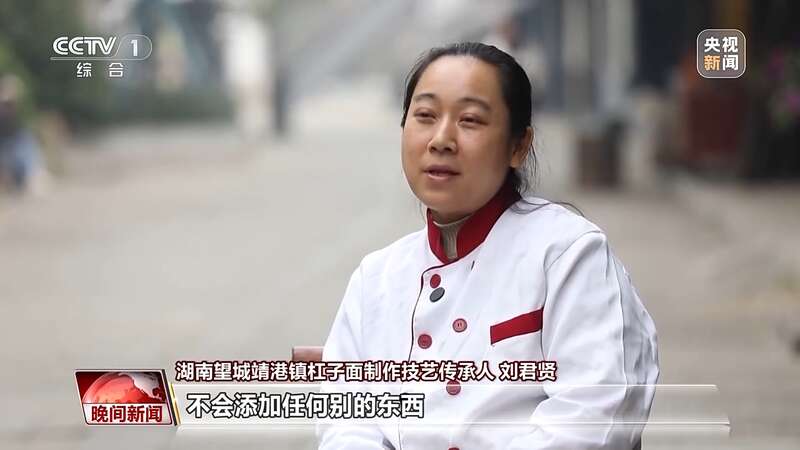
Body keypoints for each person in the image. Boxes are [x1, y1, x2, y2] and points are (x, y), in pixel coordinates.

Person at [317, 42, 658, 450]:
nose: (441, 139)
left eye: (470, 120)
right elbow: (345, 419)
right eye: (425, 116)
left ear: (519, 145)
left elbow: (596, 417)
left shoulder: (568, 255)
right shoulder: (376, 279)